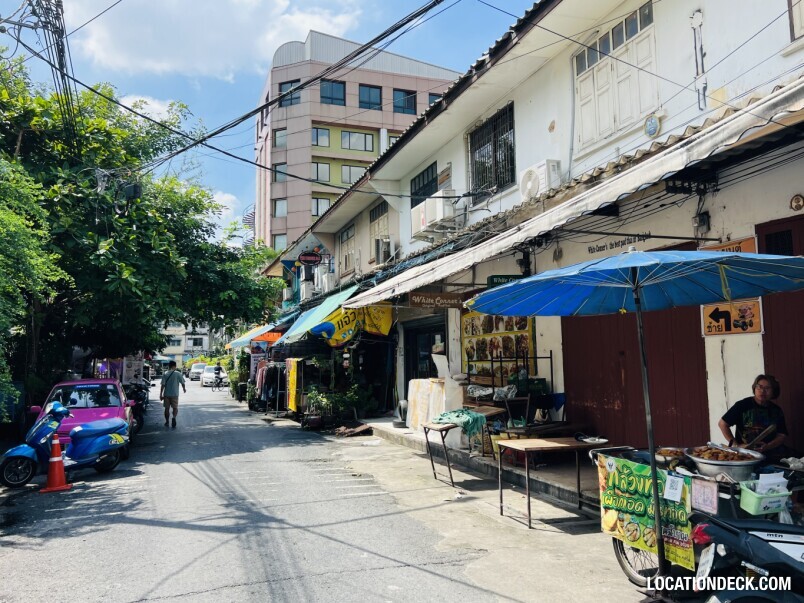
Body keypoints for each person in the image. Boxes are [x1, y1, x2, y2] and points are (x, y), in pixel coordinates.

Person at [718, 374, 787, 457]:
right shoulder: (742, 405)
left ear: (774, 392)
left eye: (767, 388)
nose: (762, 391)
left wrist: (768, 446)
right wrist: (736, 446)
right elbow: (722, 424)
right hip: (745, 455)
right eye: (759, 387)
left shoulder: (776, 410)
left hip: (770, 454)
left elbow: (782, 435)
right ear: (754, 388)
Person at [160, 360, 186, 429]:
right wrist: (184, 389)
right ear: (175, 366)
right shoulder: (178, 373)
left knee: (166, 408)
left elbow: (162, 385)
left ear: (169, 366)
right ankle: (174, 417)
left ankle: (167, 422)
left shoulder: (165, 374)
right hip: (175, 394)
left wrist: (160, 394)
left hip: (166, 394)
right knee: (175, 408)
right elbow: (183, 382)